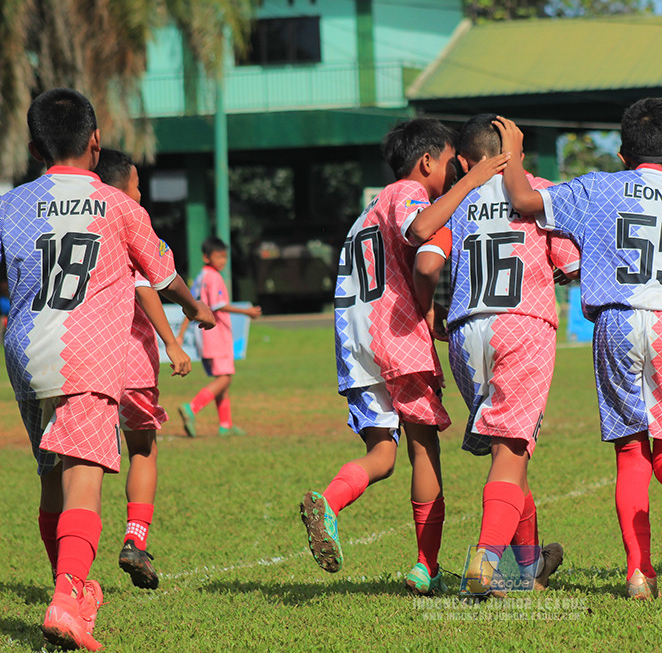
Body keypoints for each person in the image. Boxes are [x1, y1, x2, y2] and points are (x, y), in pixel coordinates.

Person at [0, 87, 214, 650]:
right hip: (88, 358)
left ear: (32, 145)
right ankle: (69, 598)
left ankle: (66, 586)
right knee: (83, 486)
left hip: (25, 357)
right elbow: (163, 277)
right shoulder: (120, 206)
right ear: (95, 142)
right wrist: (196, 310)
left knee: (51, 479)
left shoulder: (12, 204)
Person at [497, 98, 662, 600]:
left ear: (622, 154)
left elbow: (523, 200)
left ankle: (638, 574)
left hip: (617, 324)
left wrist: (514, 153)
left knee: (630, 452)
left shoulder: (596, 188)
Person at [299, 118, 508, 596]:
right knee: (422, 451)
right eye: (451, 162)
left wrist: (428, 311)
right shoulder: (406, 193)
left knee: (382, 454)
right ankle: (424, 566)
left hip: (355, 340)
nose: (456, 171)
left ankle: (328, 503)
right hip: (395, 338)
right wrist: (473, 182)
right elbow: (421, 229)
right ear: (427, 161)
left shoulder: (365, 212)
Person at [412, 114, 579, 600]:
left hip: (466, 331)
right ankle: (486, 563)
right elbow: (570, 264)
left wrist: (429, 313)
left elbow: (426, 262)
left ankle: (526, 566)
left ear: (463, 161)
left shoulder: (456, 198)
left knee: (514, 453)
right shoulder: (536, 189)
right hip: (521, 324)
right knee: (511, 451)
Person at [95, 148, 195, 590]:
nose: (141, 193)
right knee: (143, 450)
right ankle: (135, 540)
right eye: (137, 185)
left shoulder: (83, 221)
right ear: (124, 188)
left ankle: (69, 565)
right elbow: (146, 285)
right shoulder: (130, 218)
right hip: (131, 361)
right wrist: (173, 342)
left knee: (80, 463)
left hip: (82, 358)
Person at [177, 237, 262, 437]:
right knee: (225, 378)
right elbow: (218, 305)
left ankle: (226, 425)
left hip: (204, 336)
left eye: (224, 257)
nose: (223, 261)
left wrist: (181, 335)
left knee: (221, 378)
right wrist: (246, 312)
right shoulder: (213, 277)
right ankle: (192, 407)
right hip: (215, 334)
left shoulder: (200, 277)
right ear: (206, 257)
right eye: (218, 256)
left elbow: (191, 306)